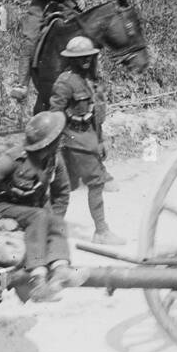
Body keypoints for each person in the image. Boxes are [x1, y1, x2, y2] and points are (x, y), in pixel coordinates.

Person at [0, 111, 77, 303]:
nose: (61, 140)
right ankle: (37, 280)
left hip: (31, 209)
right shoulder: (15, 158)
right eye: (57, 137)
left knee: (54, 217)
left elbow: (62, 192)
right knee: (40, 216)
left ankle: (60, 268)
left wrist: (54, 224)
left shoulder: (54, 159)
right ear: (47, 143)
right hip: (4, 206)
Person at [48, 37, 123, 247]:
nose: (85, 62)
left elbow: (96, 115)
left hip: (88, 138)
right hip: (72, 141)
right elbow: (55, 115)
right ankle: (101, 231)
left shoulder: (90, 81)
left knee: (68, 188)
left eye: (88, 57)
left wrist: (100, 141)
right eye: (79, 58)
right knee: (90, 184)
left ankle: (52, 231)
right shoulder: (65, 82)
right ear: (70, 60)